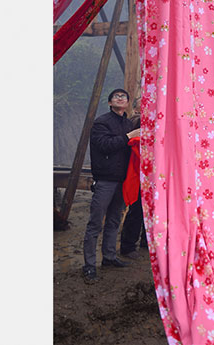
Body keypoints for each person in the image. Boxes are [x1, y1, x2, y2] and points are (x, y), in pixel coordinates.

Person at [82, 89, 140, 284]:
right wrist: (129, 136)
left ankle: (108, 257)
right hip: (105, 179)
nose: (121, 98)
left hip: (123, 179)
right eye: (116, 96)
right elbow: (105, 145)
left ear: (128, 104)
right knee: (95, 223)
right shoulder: (101, 122)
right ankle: (89, 265)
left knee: (114, 220)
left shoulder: (127, 122)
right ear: (109, 103)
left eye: (124, 97)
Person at [119, 95, 148, 258]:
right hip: (136, 170)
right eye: (143, 104)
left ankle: (145, 240)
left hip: (147, 172)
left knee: (147, 209)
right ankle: (128, 245)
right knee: (136, 209)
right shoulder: (135, 120)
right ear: (137, 108)